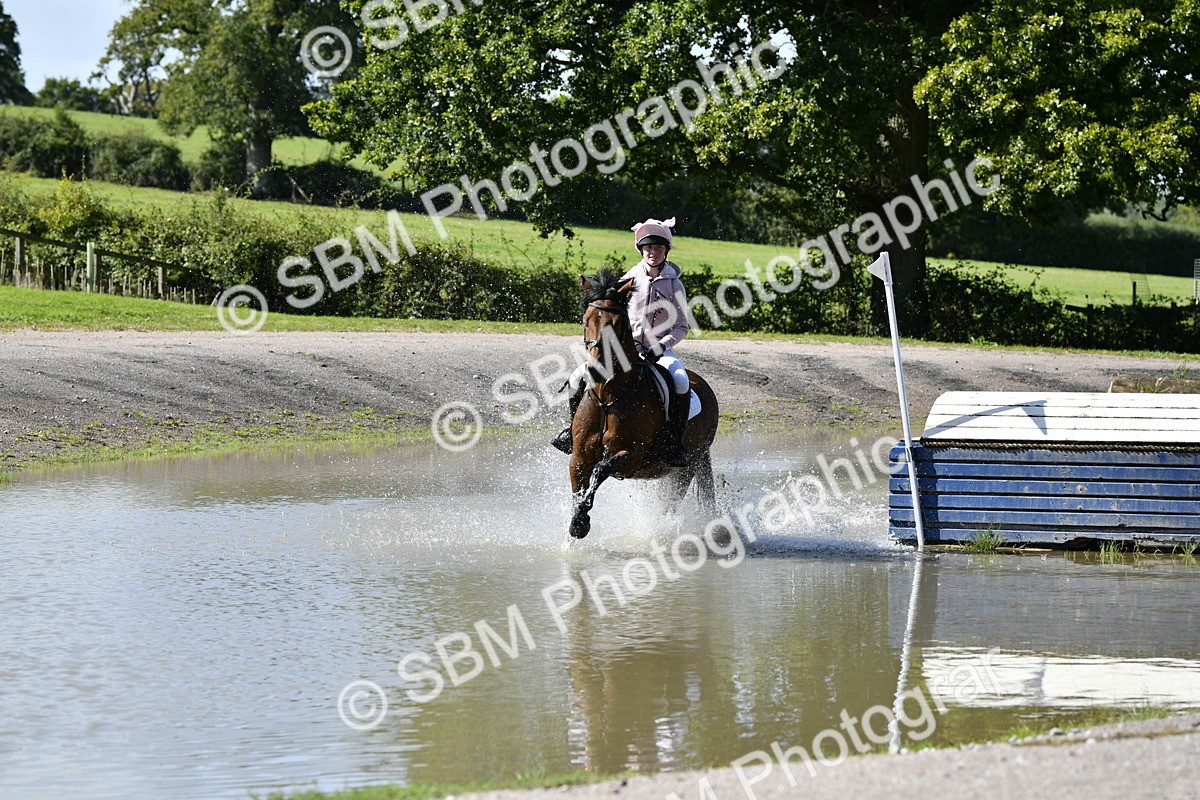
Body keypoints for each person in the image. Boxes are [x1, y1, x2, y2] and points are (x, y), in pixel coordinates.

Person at [551, 217, 692, 466]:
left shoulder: (675, 285)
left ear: (666, 251)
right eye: (648, 248)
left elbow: (682, 327)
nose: (653, 252)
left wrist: (660, 346)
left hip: (659, 349)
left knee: (680, 381)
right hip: (623, 349)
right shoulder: (630, 279)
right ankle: (571, 432)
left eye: (658, 248)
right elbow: (607, 308)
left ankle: (673, 441)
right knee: (576, 377)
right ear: (641, 250)